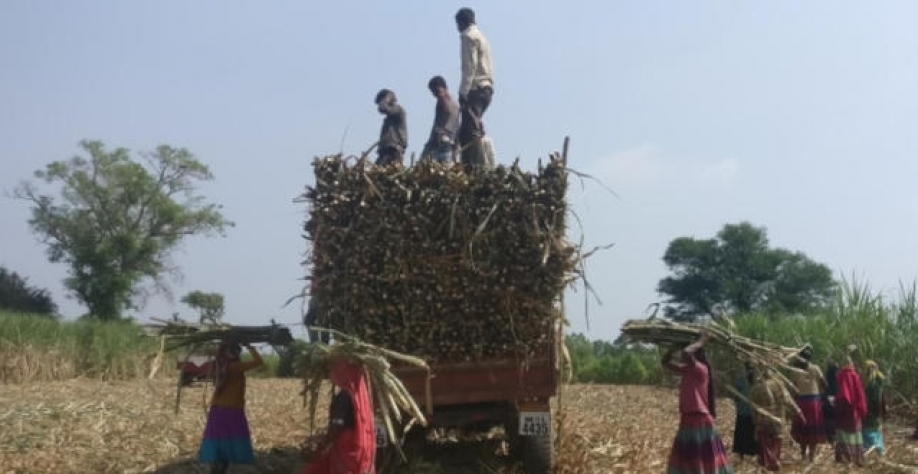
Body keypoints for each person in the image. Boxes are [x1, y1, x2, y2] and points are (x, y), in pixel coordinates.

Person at [661, 330, 733, 474]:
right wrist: (673, 347)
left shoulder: (702, 369)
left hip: (699, 419)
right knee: (691, 457)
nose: (693, 355)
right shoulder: (688, 369)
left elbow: (687, 353)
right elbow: (665, 362)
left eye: (697, 351)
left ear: (700, 354)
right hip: (688, 418)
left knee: (701, 456)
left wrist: (702, 341)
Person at [301, 357, 376, 474]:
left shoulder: (344, 396)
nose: (331, 374)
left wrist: (322, 444)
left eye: (333, 370)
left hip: (347, 447)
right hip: (360, 445)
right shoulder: (361, 394)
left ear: (342, 372)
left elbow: (337, 426)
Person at [199, 340, 264, 474]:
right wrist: (250, 346)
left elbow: (211, 371)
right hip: (232, 409)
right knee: (233, 436)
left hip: (217, 410)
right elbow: (258, 361)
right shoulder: (235, 367)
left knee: (218, 437)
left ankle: (218, 464)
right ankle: (224, 464)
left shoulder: (218, 365)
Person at [454, 7, 494, 169]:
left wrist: (463, 91)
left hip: (475, 88)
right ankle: (475, 166)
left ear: (462, 22)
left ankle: (474, 168)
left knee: (468, 133)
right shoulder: (482, 37)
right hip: (487, 89)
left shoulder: (468, 36)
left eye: (457, 24)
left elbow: (469, 66)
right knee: (471, 127)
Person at [749, 369, 797, 472]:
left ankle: (768, 463)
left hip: (762, 419)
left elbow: (753, 406)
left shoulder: (756, 387)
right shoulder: (779, 385)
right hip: (777, 419)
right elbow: (787, 400)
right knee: (776, 442)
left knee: (764, 443)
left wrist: (754, 419)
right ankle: (773, 462)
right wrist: (796, 412)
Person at [790, 346, 827, 462]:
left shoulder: (795, 370)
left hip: (801, 401)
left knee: (802, 428)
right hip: (814, 402)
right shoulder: (815, 368)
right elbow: (824, 383)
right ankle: (811, 455)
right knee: (813, 429)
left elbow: (793, 387)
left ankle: (803, 454)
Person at [834, 352, 866, 466]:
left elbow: (841, 393)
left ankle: (845, 458)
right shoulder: (855, 376)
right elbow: (860, 394)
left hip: (843, 408)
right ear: (851, 364)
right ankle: (857, 458)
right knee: (855, 432)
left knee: (843, 433)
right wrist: (861, 408)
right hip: (854, 410)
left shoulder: (841, 375)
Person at [421, 76, 460, 164]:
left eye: (436, 91)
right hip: (443, 142)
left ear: (444, 88)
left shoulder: (447, 103)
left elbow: (454, 124)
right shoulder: (452, 104)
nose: (435, 94)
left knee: (425, 165)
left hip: (444, 143)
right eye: (433, 92)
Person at [730, 363, 758, 462]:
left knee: (742, 432)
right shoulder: (756, 380)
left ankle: (742, 454)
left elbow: (736, 397)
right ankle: (752, 453)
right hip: (753, 412)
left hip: (743, 411)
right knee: (752, 432)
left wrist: (738, 403)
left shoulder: (741, 380)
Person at [374, 89, 407, 166]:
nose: (380, 104)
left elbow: (382, 108)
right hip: (386, 150)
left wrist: (387, 97)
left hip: (393, 149)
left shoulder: (398, 109)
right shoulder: (389, 119)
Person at [862, 360, 887, 456]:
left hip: (870, 412)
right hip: (874, 412)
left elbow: (876, 398)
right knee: (875, 431)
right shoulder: (878, 379)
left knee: (870, 431)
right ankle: (878, 451)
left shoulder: (872, 382)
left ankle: (873, 451)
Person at [823, 360, 839, 443]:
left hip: (828, 398)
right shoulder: (838, 378)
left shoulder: (827, 377)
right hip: (834, 398)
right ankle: (833, 436)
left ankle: (830, 437)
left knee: (829, 418)